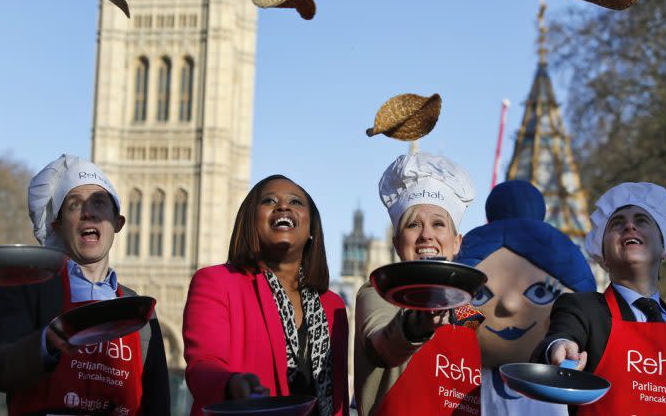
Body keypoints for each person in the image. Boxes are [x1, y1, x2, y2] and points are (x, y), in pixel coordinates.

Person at [0, 154, 170, 415]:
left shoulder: (140, 309)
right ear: (57, 226)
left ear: (118, 223)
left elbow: (158, 402)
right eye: (74, 205)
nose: (88, 212)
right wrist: (44, 343)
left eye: (99, 202)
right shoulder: (24, 284)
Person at [532, 182, 666, 415]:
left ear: (663, 249)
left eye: (642, 220)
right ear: (604, 257)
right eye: (617, 223)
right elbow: (560, 339)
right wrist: (559, 348)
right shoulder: (583, 309)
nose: (630, 226)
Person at [182, 175, 349, 416]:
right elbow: (203, 365)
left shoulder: (333, 305)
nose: (283, 206)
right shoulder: (216, 282)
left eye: (296, 202)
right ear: (250, 222)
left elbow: (338, 395)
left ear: (312, 227)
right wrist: (231, 384)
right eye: (269, 201)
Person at [354, 151, 482, 416]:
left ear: (457, 242)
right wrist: (416, 324)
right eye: (413, 225)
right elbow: (383, 345)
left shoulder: (477, 309)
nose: (426, 235)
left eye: (438, 224)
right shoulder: (379, 292)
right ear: (397, 242)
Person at [456, 180, 596, 415]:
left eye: (541, 292)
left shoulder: (576, 389)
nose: (509, 305)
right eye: (479, 294)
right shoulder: (453, 382)